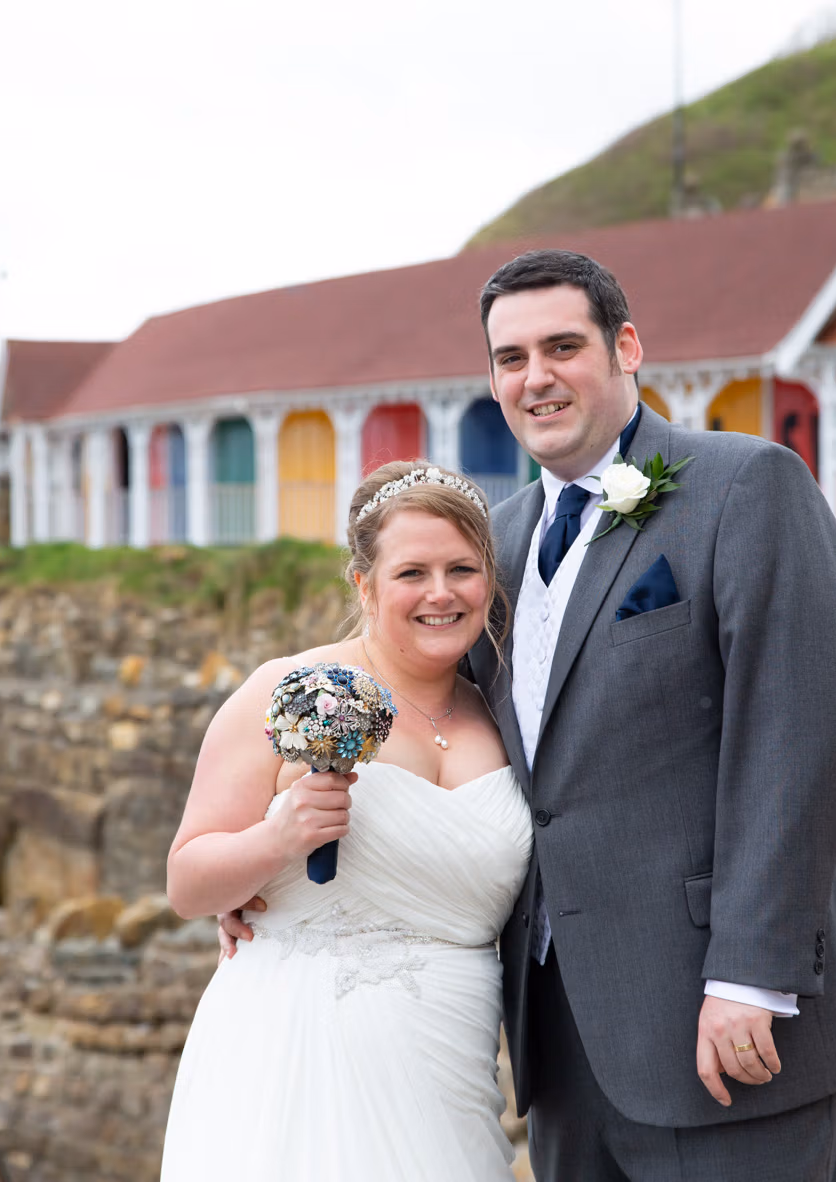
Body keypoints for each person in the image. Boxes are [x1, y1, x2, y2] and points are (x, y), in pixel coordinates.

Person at [461, 249, 836, 1181]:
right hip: (562, 1034)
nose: (536, 377)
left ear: (627, 347)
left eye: (563, 347)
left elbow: (794, 741)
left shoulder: (747, 485)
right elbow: (451, 736)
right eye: (511, 358)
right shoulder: (495, 541)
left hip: (729, 1023)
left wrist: (752, 976)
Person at [161, 461, 532, 1181]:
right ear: (364, 584)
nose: (441, 593)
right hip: (294, 1053)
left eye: (462, 569)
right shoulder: (288, 690)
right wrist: (275, 841)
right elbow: (186, 883)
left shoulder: (505, 710)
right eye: (411, 572)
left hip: (449, 1065)